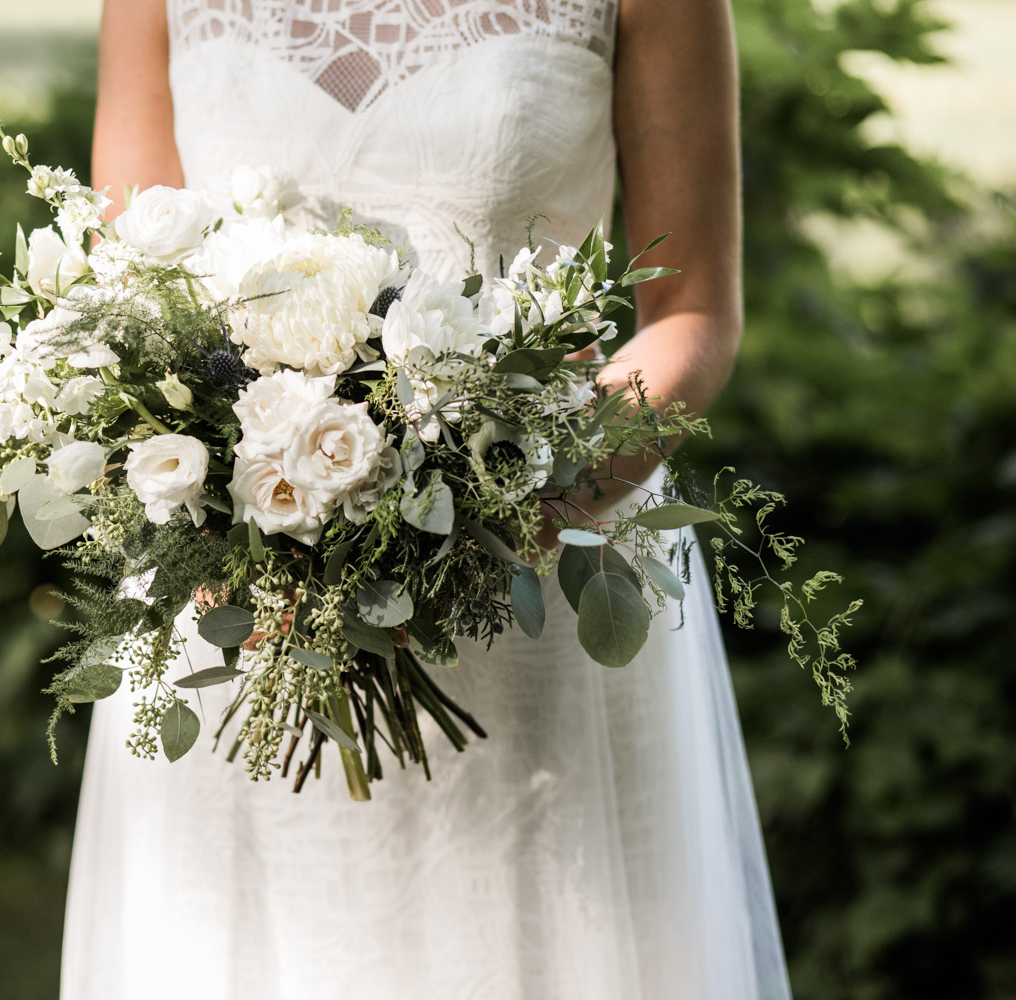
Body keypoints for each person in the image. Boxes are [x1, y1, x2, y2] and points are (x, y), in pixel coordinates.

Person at [61, 1, 791, 997]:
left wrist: (515, 501)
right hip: (240, 615)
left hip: (540, 586)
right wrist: (228, 533)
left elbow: (694, 309)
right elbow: (132, 297)